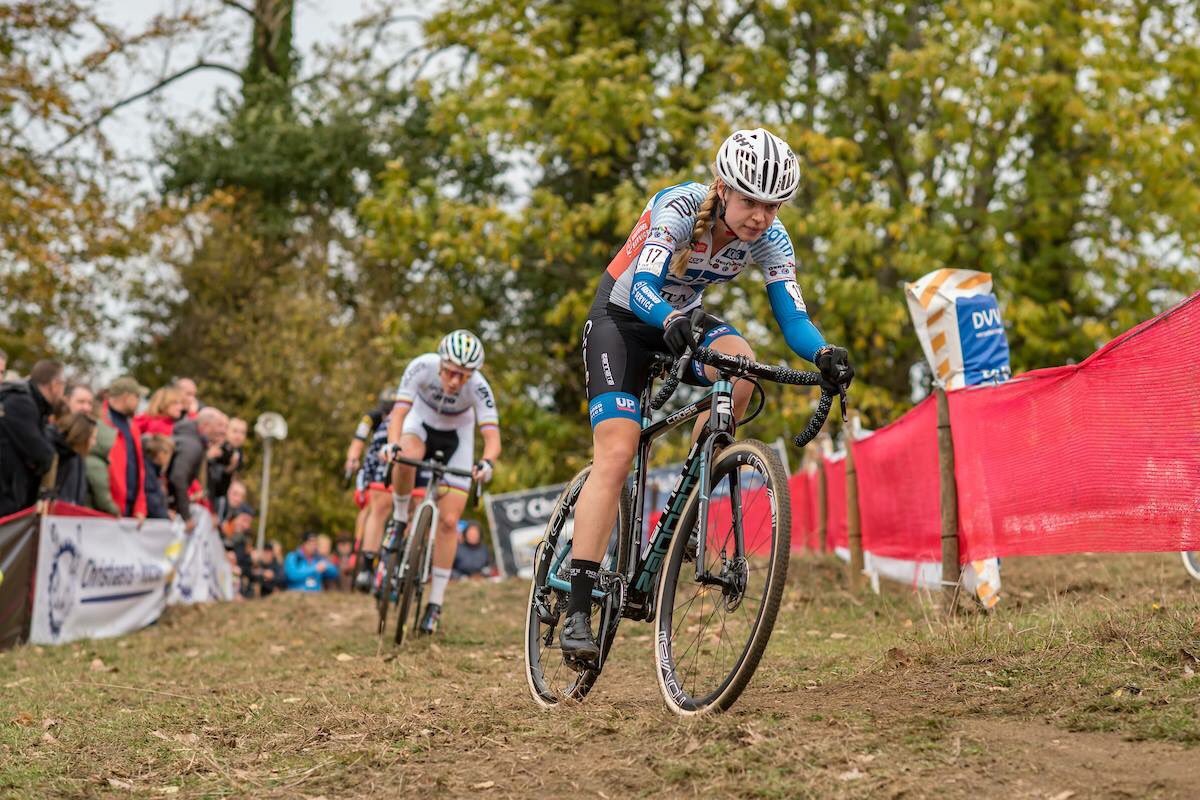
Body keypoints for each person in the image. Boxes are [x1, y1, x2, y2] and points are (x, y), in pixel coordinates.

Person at [561, 128, 855, 661]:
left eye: (773, 205)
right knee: (619, 451)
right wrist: (671, 318)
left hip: (682, 320)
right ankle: (578, 604)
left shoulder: (772, 238)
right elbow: (645, 285)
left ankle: (691, 500)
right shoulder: (678, 207)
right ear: (722, 188)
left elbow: (792, 317)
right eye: (750, 201)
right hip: (624, 319)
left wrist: (822, 354)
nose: (761, 217)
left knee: (741, 364)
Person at [380, 330, 502, 634]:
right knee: (406, 454)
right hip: (419, 424)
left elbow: (492, 438)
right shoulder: (421, 366)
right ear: (440, 363)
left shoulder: (479, 387)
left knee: (449, 522)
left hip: (457, 438)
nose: (455, 381)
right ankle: (398, 519)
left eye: (464, 375)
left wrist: (486, 463)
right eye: (450, 372)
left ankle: (435, 604)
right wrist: (391, 444)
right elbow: (398, 415)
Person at [348, 388, 400, 593]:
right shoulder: (371, 418)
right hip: (376, 461)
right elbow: (358, 440)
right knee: (369, 506)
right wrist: (352, 459)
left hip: (387, 459)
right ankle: (359, 547)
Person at [0, 360, 64, 515]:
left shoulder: (35, 404)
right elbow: (42, 454)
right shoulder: (21, 401)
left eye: (2, 372)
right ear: (55, 384)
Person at [97, 376, 148, 522]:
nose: (139, 402)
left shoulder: (133, 427)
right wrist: (109, 506)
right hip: (106, 512)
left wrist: (140, 508)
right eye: (137, 397)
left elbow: (140, 470)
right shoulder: (100, 422)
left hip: (130, 512)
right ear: (126, 397)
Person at [169, 406, 227, 529]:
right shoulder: (192, 445)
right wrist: (186, 516)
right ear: (206, 425)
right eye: (218, 426)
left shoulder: (193, 440)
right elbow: (178, 477)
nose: (222, 431)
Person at [47, 412, 96, 507]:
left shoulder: (74, 455)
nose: (94, 443)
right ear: (82, 436)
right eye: (92, 438)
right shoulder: (53, 451)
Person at [141, 434, 175, 520]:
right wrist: (164, 515)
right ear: (161, 454)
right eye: (168, 454)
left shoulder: (154, 472)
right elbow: (150, 498)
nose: (169, 459)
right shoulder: (149, 471)